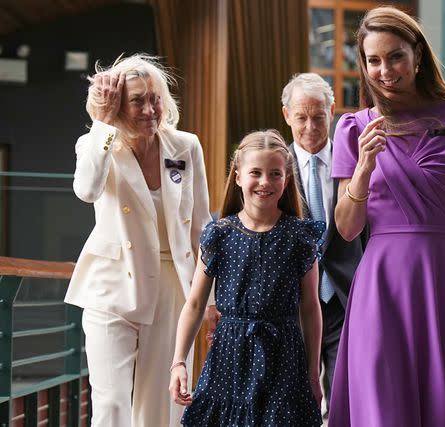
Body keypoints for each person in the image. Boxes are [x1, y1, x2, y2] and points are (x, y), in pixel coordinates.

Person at [328, 7, 445, 426]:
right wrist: (363, 168)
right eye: (373, 61)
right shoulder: (353, 129)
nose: (384, 71)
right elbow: (346, 226)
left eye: (394, 57)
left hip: (440, 281)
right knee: (383, 407)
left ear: (417, 55)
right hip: (381, 287)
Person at [65, 54, 216, 426]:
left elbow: (201, 225)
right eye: (137, 101)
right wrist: (101, 125)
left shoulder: (185, 146)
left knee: (162, 407)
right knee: (112, 404)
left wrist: (211, 300)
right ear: (117, 105)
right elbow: (86, 189)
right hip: (111, 287)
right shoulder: (97, 144)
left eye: (156, 98)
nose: (150, 109)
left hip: (171, 288)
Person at [169, 130, 324, 427]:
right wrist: (179, 362)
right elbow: (195, 303)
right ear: (238, 176)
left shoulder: (300, 236)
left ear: (286, 179)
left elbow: (310, 307)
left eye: (275, 174)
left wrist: (313, 374)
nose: (265, 182)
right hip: (229, 358)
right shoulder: (219, 234)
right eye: (256, 172)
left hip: (284, 359)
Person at [281, 73, 365, 416]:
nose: (311, 127)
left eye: (319, 116)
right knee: (297, 399)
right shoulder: (275, 169)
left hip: (348, 298)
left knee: (347, 399)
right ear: (286, 115)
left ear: (332, 110)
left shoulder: (357, 162)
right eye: (301, 117)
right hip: (296, 303)